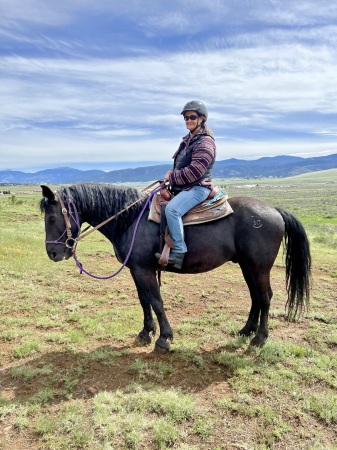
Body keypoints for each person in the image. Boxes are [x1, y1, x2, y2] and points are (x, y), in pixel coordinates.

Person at [156, 100, 216, 269]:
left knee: (172, 209)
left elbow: (195, 171)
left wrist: (173, 177)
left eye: (192, 117)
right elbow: (184, 165)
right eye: (186, 117)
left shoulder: (205, 142)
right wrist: (171, 175)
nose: (188, 120)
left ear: (201, 119)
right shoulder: (189, 140)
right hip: (185, 187)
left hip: (198, 187)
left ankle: (179, 252)